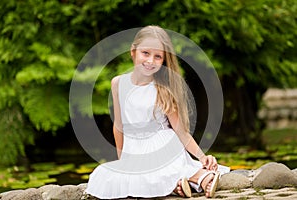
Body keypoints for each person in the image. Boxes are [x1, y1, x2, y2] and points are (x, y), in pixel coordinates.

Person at [85, 25, 230, 199]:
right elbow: (118, 126)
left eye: (158, 56)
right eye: (145, 53)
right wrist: (122, 160)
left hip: (162, 144)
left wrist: (201, 156)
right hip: (135, 148)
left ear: (164, 61)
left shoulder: (163, 88)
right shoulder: (118, 84)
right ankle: (179, 186)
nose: (150, 61)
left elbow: (180, 131)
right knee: (106, 175)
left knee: (159, 167)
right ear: (133, 51)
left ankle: (202, 177)